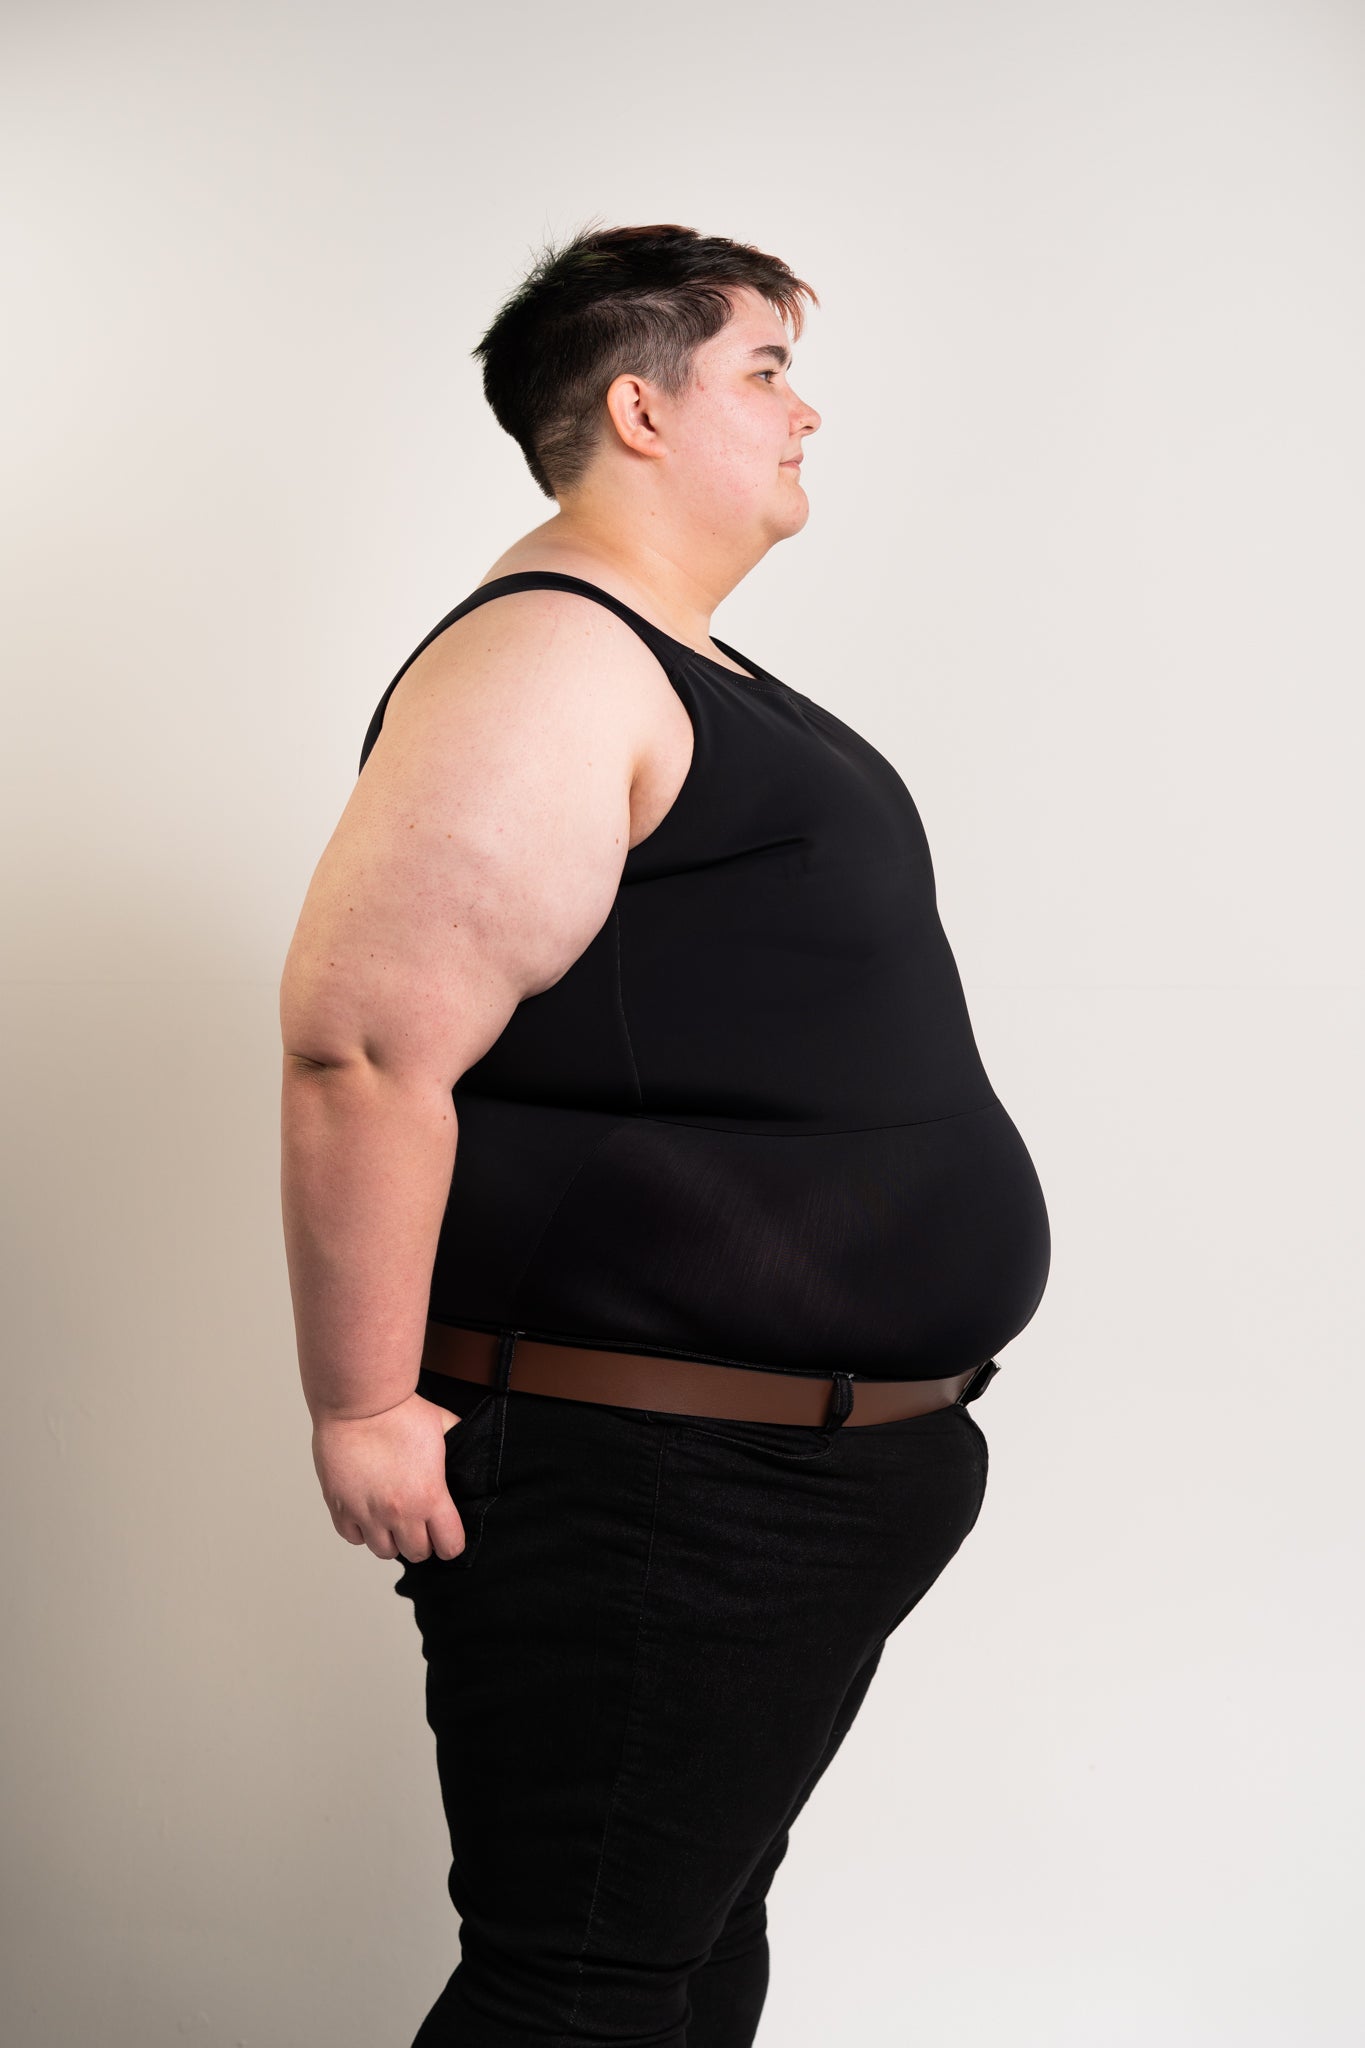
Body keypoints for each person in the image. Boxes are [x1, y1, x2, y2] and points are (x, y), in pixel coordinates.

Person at [279, 222, 1050, 2048]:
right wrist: (364, 1404)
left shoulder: (673, 664)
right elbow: (361, 1049)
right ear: (639, 407)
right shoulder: (550, 661)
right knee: (587, 1985)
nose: (806, 411)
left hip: (766, 1480)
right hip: (652, 1485)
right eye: (765, 369)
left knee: (674, 1953)